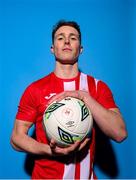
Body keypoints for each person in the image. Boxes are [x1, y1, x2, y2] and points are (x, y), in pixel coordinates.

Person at [11, 20, 127, 179]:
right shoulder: (35, 89)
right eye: (60, 38)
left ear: (81, 49)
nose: (66, 41)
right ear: (52, 49)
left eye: (73, 38)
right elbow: (16, 138)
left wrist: (83, 96)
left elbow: (119, 133)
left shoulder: (98, 87)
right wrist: (49, 150)